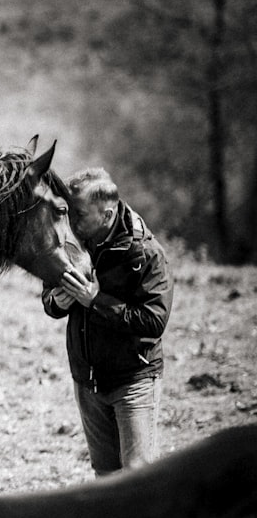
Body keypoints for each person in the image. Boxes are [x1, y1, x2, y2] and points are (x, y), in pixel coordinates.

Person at [42, 168, 173, 477]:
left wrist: (95, 301)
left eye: (81, 215)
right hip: (88, 382)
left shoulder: (146, 252)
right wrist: (55, 302)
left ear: (107, 214)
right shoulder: (70, 245)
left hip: (134, 382)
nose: (72, 223)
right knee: (105, 479)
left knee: (138, 480)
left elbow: (154, 320)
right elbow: (49, 298)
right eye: (70, 213)